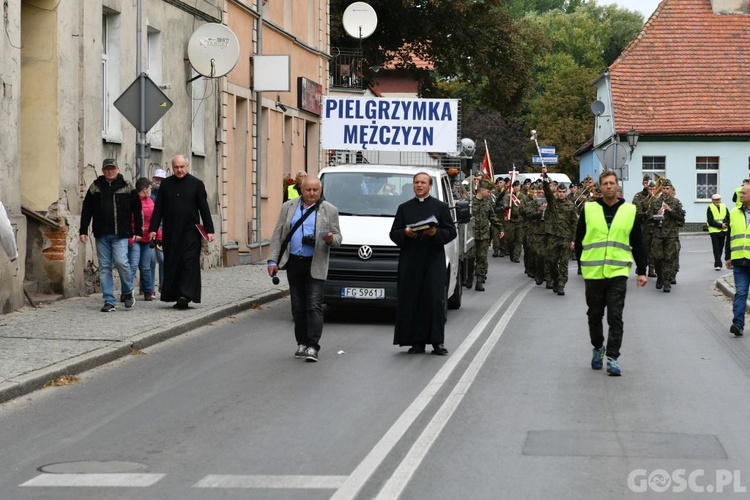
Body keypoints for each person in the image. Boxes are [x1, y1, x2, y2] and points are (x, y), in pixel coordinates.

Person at [575, 170, 647, 376]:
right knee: (594, 315)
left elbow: (637, 242)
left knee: (615, 316)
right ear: (600, 187)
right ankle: (598, 347)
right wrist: (582, 265)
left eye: (612, 183)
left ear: (617, 186)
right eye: (605, 183)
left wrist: (642, 271)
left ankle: (613, 357)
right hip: (594, 272)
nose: (608, 186)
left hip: (618, 272)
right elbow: (579, 238)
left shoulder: (629, 210)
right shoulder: (589, 209)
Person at [267, 176, 342, 362]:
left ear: (320, 190)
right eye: (308, 190)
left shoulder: (329, 210)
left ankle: (313, 346)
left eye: (316, 190)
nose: (312, 193)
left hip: (315, 262)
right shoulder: (289, 207)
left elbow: (339, 239)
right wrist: (272, 260)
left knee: (314, 305)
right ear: (301, 189)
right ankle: (301, 342)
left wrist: (331, 239)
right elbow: (278, 234)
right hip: (294, 262)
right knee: (298, 307)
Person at [390, 172, 457, 355]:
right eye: (416, 182)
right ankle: (416, 342)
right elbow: (393, 233)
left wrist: (435, 234)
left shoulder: (440, 207)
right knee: (413, 300)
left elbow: (451, 232)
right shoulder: (404, 208)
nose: (419, 185)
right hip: (410, 261)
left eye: (423, 182)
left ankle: (437, 342)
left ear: (430, 186)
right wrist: (405, 233)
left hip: (433, 260)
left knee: (435, 300)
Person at [148, 154, 214, 310]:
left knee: (188, 263)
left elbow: (204, 208)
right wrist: (153, 229)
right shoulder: (166, 185)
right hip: (171, 232)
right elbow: (158, 209)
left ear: (187, 166)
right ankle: (177, 296)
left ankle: (186, 294)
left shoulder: (196, 184)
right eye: (176, 167)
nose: (179, 170)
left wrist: (209, 230)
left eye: (182, 167)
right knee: (173, 263)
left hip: (191, 231)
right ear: (172, 168)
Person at [79, 158, 142, 312]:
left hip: (121, 233)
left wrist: (138, 231)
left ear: (118, 169)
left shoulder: (127, 186)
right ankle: (109, 301)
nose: (110, 171)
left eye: (113, 168)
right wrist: (83, 230)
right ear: (103, 171)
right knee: (104, 267)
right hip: (102, 234)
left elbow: (137, 210)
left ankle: (127, 291)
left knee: (122, 263)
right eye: (107, 168)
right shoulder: (95, 187)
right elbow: (87, 209)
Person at [646, 179, 685, 292]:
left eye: (667, 189)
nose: (665, 191)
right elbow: (648, 219)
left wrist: (670, 210)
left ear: (671, 189)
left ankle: (667, 282)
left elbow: (681, 220)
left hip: (671, 235)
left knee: (669, 258)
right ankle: (660, 277)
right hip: (658, 235)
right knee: (657, 258)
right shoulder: (656, 202)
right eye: (663, 188)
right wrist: (655, 215)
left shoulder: (676, 203)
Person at [543, 178, 578, 296]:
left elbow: (574, 224)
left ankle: (561, 284)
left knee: (563, 262)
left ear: (566, 192)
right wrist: (545, 179)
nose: (561, 194)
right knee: (551, 261)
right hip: (553, 237)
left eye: (563, 192)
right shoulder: (553, 203)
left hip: (565, 238)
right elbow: (547, 193)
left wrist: (573, 240)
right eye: (559, 192)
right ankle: (556, 279)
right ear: (557, 192)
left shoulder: (571, 206)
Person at [725, 183, 750, 337]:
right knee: (740, 292)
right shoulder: (734, 212)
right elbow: (730, 235)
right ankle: (738, 324)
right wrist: (727, 256)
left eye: (744, 193)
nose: (741, 195)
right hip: (739, 259)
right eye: (741, 193)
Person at [472, 179, 504, 291]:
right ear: (481, 190)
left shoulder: (487, 203)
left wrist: (500, 228)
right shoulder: (471, 203)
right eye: (488, 191)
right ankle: (468, 277)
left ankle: (479, 281)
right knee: (471, 258)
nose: (489, 193)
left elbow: (493, 217)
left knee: (482, 258)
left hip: (484, 236)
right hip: (472, 236)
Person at [128, 178, 156, 300]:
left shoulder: (150, 201)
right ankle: (127, 291)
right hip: (135, 237)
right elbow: (127, 219)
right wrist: (129, 236)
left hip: (147, 238)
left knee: (145, 266)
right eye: (149, 189)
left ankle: (148, 291)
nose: (151, 191)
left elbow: (154, 220)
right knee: (133, 265)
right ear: (144, 189)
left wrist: (157, 234)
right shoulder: (131, 200)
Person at [707, 193, 729, 271]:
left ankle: (718, 260)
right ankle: (718, 264)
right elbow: (710, 221)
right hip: (714, 231)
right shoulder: (710, 207)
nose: (717, 201)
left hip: (723, 230)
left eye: (718, 199)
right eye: (715, 200)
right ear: (712, 200)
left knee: (721, 247)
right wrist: (720, 225)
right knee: (716, 247)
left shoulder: (724, 206)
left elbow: (728, 217)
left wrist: (725, 224)